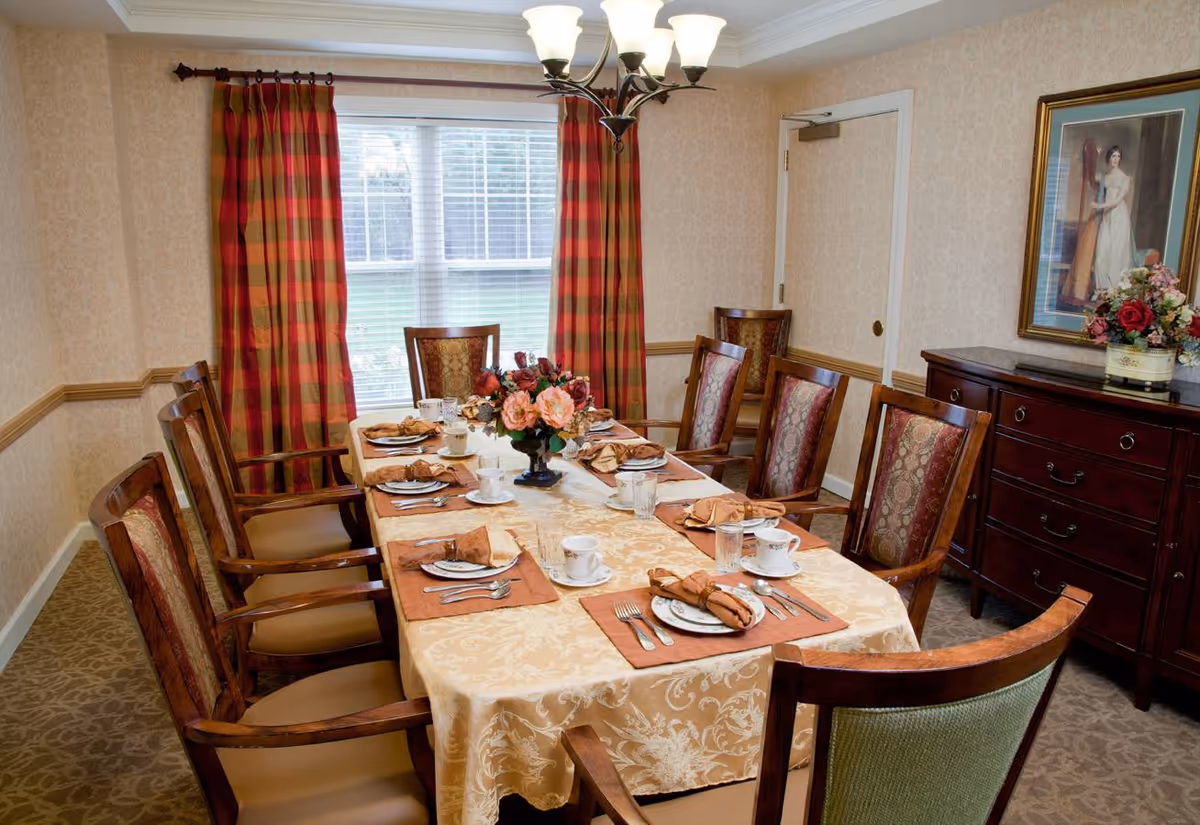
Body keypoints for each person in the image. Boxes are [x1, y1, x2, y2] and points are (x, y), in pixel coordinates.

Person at [1092, 144, 1136, 291]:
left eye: (1118, 156)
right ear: (1108, 158)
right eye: (1113, 156)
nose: (1116, 159)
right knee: (1101, 255)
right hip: (1107, 216)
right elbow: (1091, 177)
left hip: (1118, 216)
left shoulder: (1125, 178)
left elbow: (1117, 201)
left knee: (1115, 254)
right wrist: (1095, 156)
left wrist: (1099, 206)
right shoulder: (1105, 177)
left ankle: (1113, 290)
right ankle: (1101, 290)